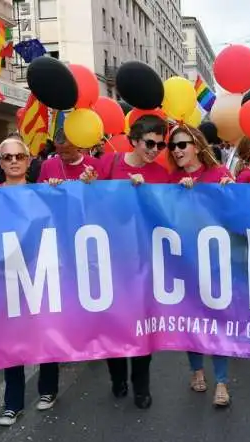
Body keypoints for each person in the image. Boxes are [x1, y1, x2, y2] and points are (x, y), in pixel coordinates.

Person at [0, 138, 61, 426]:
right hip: (6, 275)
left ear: (29, 160)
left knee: (45, 329)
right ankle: (12, 402)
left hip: (40, 271)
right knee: (11, 338)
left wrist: (60, 192)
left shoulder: (43, 192)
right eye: (7, 157)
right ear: (1, 162)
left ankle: (48, 389)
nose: (14, 161)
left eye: (19, 156)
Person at [100, 114, 171, 409]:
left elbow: (167, 216)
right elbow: (88, 203)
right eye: (149, 143)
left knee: (143, 327)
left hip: (145, 262)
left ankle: (141, 385)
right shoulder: (109, 164)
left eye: (160, 144)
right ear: (134, 141)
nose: (155, 150)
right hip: (111, 260)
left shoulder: (160, 174)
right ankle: (118, 377)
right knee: (114, 324)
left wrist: (149, 196)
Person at [167, 123, 234, 407]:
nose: (177, 151)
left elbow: (236, 212)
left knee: (217, 321)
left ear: (197, 145)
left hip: (216, 262)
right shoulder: (171, 181)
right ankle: (196, 371)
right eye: (173, 147)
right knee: (191, 322)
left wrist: (230, 190)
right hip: (184, 263)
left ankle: (221, 381)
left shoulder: (218, 174)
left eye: (182, 145)